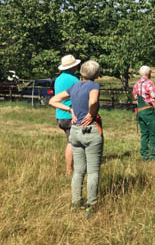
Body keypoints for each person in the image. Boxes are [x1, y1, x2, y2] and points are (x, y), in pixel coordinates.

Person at [49, 60, 103, 218]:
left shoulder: (74, 86)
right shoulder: (94, 86)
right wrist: (91, 114)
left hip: (75, 131)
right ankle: (90, 206)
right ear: (96, 75)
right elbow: (93, 101)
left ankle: (75, 202)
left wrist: (70, 109)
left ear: (82, 72)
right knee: (93, 172)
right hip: (90, 130)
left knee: (78, 170)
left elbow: (53, 101)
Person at [54, 54, 80, 176]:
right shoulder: (74, 79)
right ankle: (69, 171)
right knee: (72, 142)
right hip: (70, 115)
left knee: (71, 140)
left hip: (60, 114)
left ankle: (74, 166)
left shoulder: (58, 78)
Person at [132, 66, 155, 161]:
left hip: (140, 111)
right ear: (149, 73)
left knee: (144, 134)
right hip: (149, 110)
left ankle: (144, 154)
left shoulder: (136, 84)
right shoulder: (149, 83)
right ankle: (152, 156)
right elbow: (154, 99)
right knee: (153, 133)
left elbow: (136, 100)